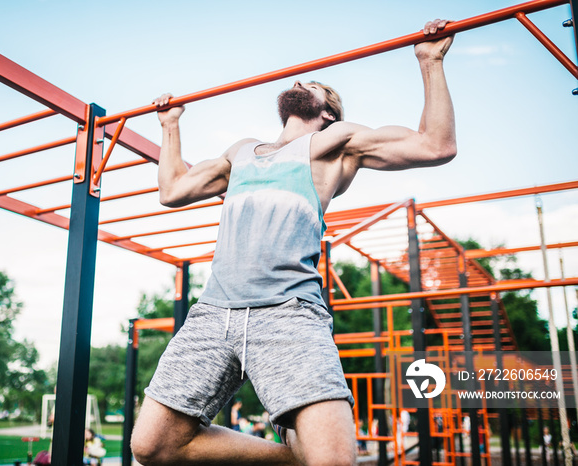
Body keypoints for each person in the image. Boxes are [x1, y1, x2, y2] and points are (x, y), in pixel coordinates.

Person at [131, 19, 456, 466]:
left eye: (317, 85)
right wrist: (170, 126)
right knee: (152, 446)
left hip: (288, 312)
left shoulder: (335, 144)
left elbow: (436, 145)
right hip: (213, 313)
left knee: (333, 461)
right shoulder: (242, 151)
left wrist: (430, 60)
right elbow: (172, 190)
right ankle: (291, 460)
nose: (303, 82)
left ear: (328, 113)